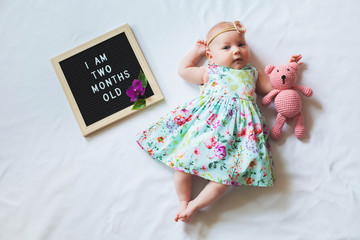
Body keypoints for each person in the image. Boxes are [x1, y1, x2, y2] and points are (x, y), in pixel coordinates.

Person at [135, 21, 302, 222]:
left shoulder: (252, 73)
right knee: (182, 163)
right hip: (205, 129)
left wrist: (287, 69)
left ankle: (196, 204)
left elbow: (273, 88)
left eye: (241, 44)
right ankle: (183, 202)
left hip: (238, 136)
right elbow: (184, 70)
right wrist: (195, 52)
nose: (236, 51)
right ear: (211, 56)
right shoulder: (210, 71)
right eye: (227, 47)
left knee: (230, 176)